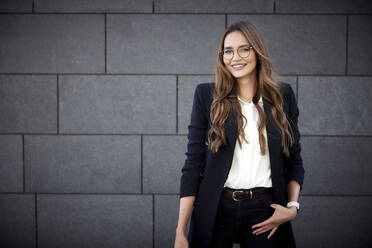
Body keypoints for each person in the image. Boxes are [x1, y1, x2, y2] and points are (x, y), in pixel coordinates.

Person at [174, 21, 305, 248]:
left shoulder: (283, 96)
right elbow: (193, 164)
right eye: (228, 51)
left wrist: (292, 208)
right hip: (215, 209)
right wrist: (180, 231)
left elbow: (294, 160)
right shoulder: (207, 96)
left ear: (257, 51)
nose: (235, 57)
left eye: (244, 49)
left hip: (265, 210)